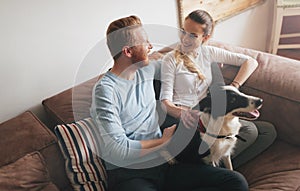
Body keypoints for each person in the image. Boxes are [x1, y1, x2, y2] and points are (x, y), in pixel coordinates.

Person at [90, 15, 248, 191]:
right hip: (131, 173)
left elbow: (178, 58)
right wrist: (163, 142)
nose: (150, 47)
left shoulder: (146, 69)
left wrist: (204, 58)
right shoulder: (105, 91)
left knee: (236, 182)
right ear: (128, 52)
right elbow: (118, 151)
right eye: (145, 42)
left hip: (165, 165)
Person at [156, 9, 277, 168]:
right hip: (186, 117)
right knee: (250, 131)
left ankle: (216, 165)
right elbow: (165, 101)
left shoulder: (209, 52)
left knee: (267, 131)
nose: (185, 38)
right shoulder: (170, 60)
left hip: (210, 112)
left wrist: (234, 86)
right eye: (183, 32)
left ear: (205, 38)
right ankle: (214, 166)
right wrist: (184, 114)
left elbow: (251, 62)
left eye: (193, 35)